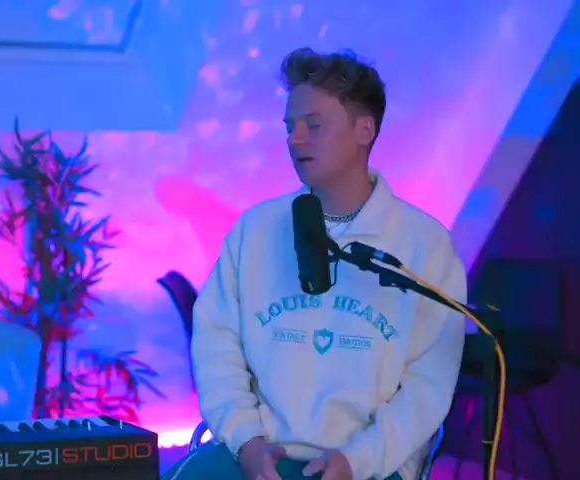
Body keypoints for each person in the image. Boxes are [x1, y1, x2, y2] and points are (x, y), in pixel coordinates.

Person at [163, 48, 467, 480]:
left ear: (364, 130)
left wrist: (356, 460)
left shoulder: (425, 246)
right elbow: (217, 347)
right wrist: (246, 440)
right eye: (290, 127)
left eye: (314, 125)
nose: (295, 139)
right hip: (254, 455)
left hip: (370, 468)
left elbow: (427, 387)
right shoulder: (256, 230)